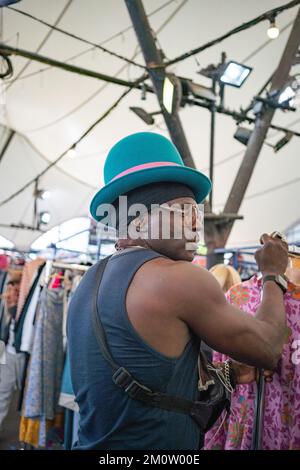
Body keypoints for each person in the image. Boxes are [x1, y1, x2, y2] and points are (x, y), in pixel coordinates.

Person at [67, 132, 288, 450]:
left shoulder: (90, 281)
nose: (196, 225)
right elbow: (268, 348)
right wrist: (272, 274)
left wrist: (223, 372)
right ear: (140, 222)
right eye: (183, 212)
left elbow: (138, 375)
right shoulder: (178, 279)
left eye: (196, 213)